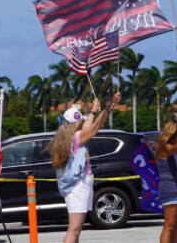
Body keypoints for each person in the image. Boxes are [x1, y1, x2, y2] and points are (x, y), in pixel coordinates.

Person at [47, 92, 120, 243]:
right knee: (74, 229)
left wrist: (93, 110)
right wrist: (109, 107)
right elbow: (95, 126)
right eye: (80, 123)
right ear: (75, 125)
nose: (82, 125)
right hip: (78, 187)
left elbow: (89, 125)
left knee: (76, 230)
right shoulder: (77, 138)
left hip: (78, 185)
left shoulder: (68, 136)